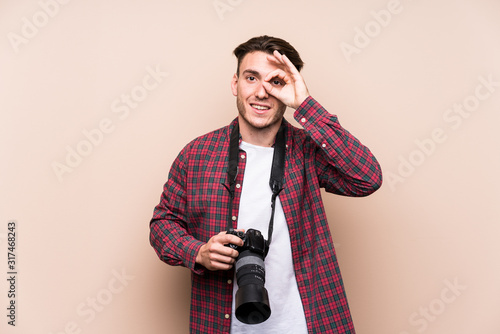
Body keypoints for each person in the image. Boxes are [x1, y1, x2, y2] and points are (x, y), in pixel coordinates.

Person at [150, 35, 382, 334]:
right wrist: (197, 252)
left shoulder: (308, 150)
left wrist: (305, 105)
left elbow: (367, 178)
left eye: (275, 82)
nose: (261, 92)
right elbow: (162, 224)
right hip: (222, 323)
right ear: (235, 84)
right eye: (251, 78)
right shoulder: (197, 153)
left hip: (306, 323)